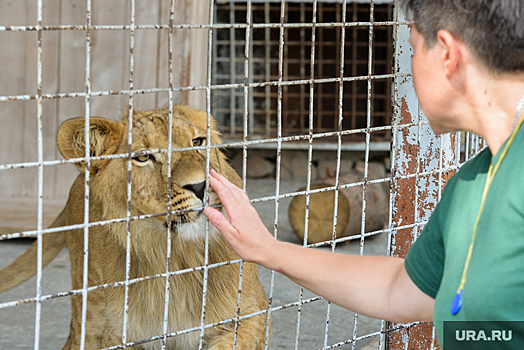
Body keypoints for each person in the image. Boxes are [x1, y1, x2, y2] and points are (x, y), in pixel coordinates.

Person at [204, 0, 524, 346]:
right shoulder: (471, 185)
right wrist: (267, 248)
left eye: (413, 50)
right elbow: (397, 289)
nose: (409, 67)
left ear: (447, 54)